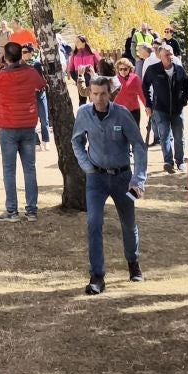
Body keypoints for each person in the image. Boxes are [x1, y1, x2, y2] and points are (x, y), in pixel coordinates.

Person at [70, 75, 148, 294]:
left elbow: (139, 146)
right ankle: (97, 276)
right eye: (94, 93)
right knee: (93, 223)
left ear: (110, 93)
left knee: (128, 223)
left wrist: (138, 180)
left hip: (123, 177)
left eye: (102, 93)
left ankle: (133, 264)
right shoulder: (84, 114)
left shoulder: (122, 114)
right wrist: (86, 165)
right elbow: (76, 141)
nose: (98, 98)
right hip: (96, 178)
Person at [0, 43, 48, 221]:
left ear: (5, 58)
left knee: (9, 170)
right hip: (28, 125)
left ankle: (12, 210)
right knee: (30, 169)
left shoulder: (1, 76)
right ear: (20, 55)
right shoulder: (31, 72)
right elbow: (42, 84)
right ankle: (31, 210)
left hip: (8, 126)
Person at [141, 43, 188, 176]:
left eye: (171, 54)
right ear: (160, 56)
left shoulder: (179, 70)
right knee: (164, 136)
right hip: (160, 109)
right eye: (166, 55)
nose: (169, 57)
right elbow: (145, 86)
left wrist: (183, 101)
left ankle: (180, 161)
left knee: (179, 136)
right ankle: (168, 162)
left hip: (177, 110)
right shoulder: (153, 70)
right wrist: (149, 104)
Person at [113, 57, 145, 130]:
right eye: (120, 69)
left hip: (133, 111)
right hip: (119, 111)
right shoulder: (115, 79)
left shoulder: (135, 78)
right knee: (119, 133)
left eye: (125, 69)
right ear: (117, 70)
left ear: (129, 68)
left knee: (135, 132)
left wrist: (147, 107)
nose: (123, 71)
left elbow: (141, 93)